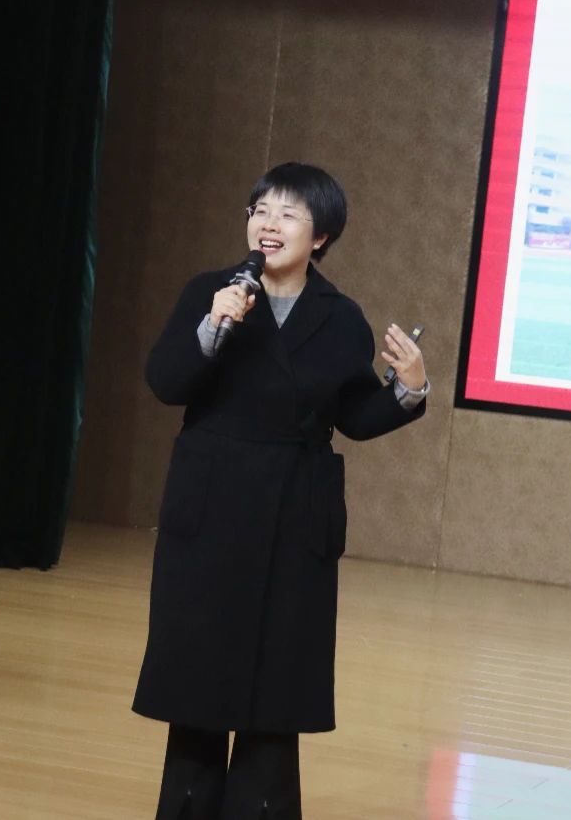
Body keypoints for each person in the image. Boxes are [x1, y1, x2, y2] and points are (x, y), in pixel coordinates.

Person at [135, 163, 427, 820]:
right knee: (199, 681)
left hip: (295, 513)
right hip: (210, 510)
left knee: (277, 689)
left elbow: (355, 416)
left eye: (288, 214)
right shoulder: (211, 292)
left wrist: (409, 388)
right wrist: (212, 327)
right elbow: (166, 382)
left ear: (320, 236)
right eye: (260, 210)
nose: (268, 224)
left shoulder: (341, 317)